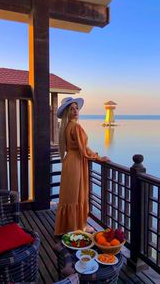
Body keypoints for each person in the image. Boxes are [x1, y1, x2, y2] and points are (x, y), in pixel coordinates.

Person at [54, 97, 110, 236]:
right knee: (77, 195)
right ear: (67, 112)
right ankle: (78, 227)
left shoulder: (66, 127)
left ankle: (68, 226)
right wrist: (98, 157)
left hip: (69, 162)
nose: (75, 111)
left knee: (69, 195)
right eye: (71, 109)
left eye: (76, 108)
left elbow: (79, 147)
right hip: (77, 163)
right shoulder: (76, 126)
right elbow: (83, 149)